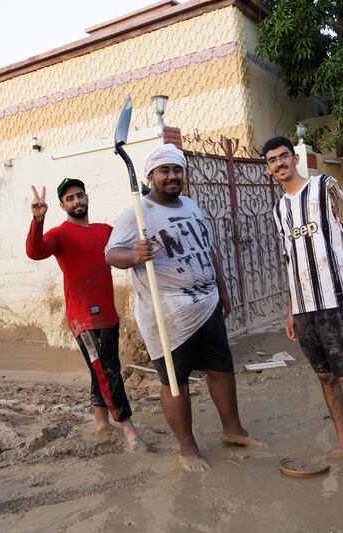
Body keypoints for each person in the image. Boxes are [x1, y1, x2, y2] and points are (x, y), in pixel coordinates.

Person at [105, 144, 261, 472]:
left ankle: (234, 430)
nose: (172, 176)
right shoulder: (137, 211)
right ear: (150, 177)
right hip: (168, 316)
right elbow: (111, 254)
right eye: (165, 171)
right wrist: (135, 256)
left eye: (177, 170)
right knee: (176, 381)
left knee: (221, 369)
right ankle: (187, 447)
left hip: (206, 305)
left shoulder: (190, 205)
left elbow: (209, 249)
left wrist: (222, 289)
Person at [263, 136, 343, 485]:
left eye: (283, 156)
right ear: (269, 168)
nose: (279, 163)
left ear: (294, 158)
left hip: (335, 300)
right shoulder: (279, 210)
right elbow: (288, 260)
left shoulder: (326, 186)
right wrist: (290, 309)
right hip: (303, 309)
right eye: (272, 160)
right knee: (325, 377)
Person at [25, 177, 145, 451]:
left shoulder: (105, 231)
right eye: (70, 198)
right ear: (62, 205)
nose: (76, 201)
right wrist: (37, 220)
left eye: (80, 195)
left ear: (87, 197)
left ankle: (101, 422)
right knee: (108, 371)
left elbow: (130, 242)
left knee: (100, 368)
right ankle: (128, 430)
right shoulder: (59, 234)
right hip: (83, 320)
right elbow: (35, 251)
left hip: (108, 314)